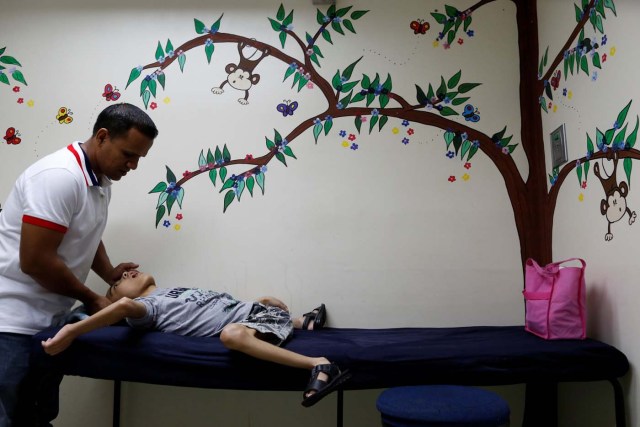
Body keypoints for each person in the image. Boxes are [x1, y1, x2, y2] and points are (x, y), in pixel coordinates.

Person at [0, 103, 158, 426]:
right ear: (102, 137)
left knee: (36, 416)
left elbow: (86, 231)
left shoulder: (99, 181)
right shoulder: (60, 177)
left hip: (50, 320)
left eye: (140, 158)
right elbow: (35, 261)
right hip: (11, 323)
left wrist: (109, 272)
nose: (133, 165)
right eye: (129, 154)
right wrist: (92, 298)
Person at [41, 270, 351, 407]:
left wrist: (257, 302)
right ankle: (319, 364)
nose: (124, 275)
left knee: (238, 322)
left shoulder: (170, 291)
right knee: (231, 335)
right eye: (116, 284)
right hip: (250, 323)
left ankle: (301, 321)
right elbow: (122, 307)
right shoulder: (146, 310)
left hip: (256, 313)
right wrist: (70, 330)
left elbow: (216, 306)